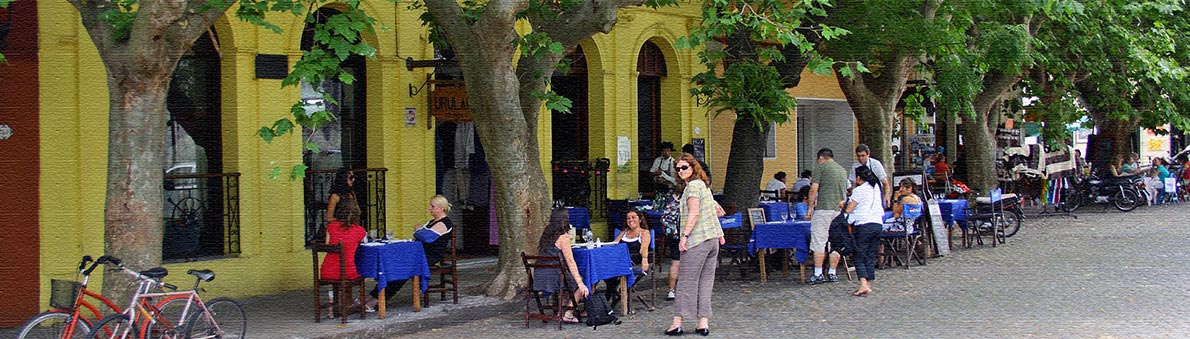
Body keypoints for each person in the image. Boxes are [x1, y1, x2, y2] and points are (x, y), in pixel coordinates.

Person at [666, 154, 725, 336]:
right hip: (712, 240)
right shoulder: (704, 186)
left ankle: (678, 322)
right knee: (705, 282)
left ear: (693, 168)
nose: (680, 171)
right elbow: (718, 211)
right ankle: (703, 322)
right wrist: (720, 235)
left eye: (684, 167)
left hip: (697, 240)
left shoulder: (692, 188)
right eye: (678, 168)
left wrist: (684, 236)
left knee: (685, 281)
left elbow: (694, 213)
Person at [365, 195, 455, 310]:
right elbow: (421, 235)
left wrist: (417, 231)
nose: (429, 208)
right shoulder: (431, 222)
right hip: (419, 254)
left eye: (432, 206)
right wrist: (419, 232)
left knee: (403, 269)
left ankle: (378, 299)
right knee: (394, 266)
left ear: (441, 208)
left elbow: (427, 237)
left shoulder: (444, 223)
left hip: (429, 256)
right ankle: (373, 295)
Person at [533, 208, 590, 323]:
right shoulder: (563, 237)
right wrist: (580, 281)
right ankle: (568, 314)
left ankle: (561, 310)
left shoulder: (545, 235)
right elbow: (570, 260)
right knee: (578, 285)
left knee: (566, 282)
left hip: (539, 275)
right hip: (554, 275)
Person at [804, 148, 848, 285]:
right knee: (835, 242)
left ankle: (818, 273)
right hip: (839, 211)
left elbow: (813, 189)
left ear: (821, 158)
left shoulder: (820, 167)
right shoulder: (842, 170)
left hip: (823, 209)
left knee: (819, 241)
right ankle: (832, 272)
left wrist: (810, 209)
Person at [844, 165, 885, 297]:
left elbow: (849, 209)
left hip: (864, 225)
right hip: (877, 223)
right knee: (870, 255)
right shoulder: (876, 187)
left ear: (858, 178)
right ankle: (868, 284)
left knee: (859, 255)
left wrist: (842, 206)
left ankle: (863, 284)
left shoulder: (859, 190)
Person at [605, 210, 651, 303]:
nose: (630, 220)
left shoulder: (644, 232)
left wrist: (645, 260)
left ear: (640, 219)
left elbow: (644, 248)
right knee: (603, 267)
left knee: (611, 272)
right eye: (628, 218)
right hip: (619, 259)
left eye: (633, 217)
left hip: (633, 259)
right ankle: (605, 300)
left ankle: (607, 299)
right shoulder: (624, 232)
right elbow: (614, 245)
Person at [320, 201, 366, 281]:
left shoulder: (331, 227)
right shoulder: (359, 230)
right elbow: (362, 247)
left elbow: (327, 245)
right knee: (362, 269)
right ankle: (346, 293)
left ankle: (333, 292)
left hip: (328, 271)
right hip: (348, 271)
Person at [661, 187, 683, 301]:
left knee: (675, 263)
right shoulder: (689, 200)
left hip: (672, 235)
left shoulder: (671, 200)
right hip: (685, 235)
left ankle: (671, 290)